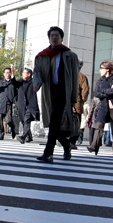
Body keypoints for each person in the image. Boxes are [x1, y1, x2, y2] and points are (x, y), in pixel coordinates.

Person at [33, 26, 79, 163]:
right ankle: (66, 146)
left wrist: (73, 98)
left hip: (63, 92)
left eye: (57, 35)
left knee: (54, 121)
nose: (54, 37)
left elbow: (75, 77)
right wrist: (37, 82)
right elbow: (37, 72)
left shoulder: (70, 55)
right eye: (52, 35)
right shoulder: (43, 55)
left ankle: (48, 153)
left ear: (61, 38)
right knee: (54, 124)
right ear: (49, 38)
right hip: (49, 92)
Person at [87, 60, 113, 156]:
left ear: (107, 69)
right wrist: (106, 92)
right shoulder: (100, 80)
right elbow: (96, 93)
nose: (100, 70)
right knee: (98, 125)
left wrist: (103, 92)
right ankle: (94, 146)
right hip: (102, 105)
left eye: (101, 68)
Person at [15, 68, 39, 144]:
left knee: (26, 120)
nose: (22, 74)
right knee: (24, 121)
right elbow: (14, 83)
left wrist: (35, 72)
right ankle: (29, 136)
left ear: (29, 74)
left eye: (24, 73)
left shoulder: (33, 82)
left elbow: (38, 82)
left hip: (30, 106)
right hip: (22, 105)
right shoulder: (20, 82)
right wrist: (13, 75)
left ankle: (23, 136)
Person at [0, 67, 18, 141]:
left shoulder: (13, 82)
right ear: (4, 74)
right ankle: (1, 134)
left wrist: (14, 100)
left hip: (9, 103)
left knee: (8, 120)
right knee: (0, 119)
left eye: (9, 72)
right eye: (6, 73)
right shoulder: (1, 82)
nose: (7, 74)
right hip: (1, 102)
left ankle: (13, 128)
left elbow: (16, 92)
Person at [69, 60, 90, 149]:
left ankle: (64, 139)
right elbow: (85, 91)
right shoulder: (82, 77)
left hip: (66, 102)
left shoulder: (67, 75)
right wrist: (82, 100)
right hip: (77, 102)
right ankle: (72, 142)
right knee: (76, 122)